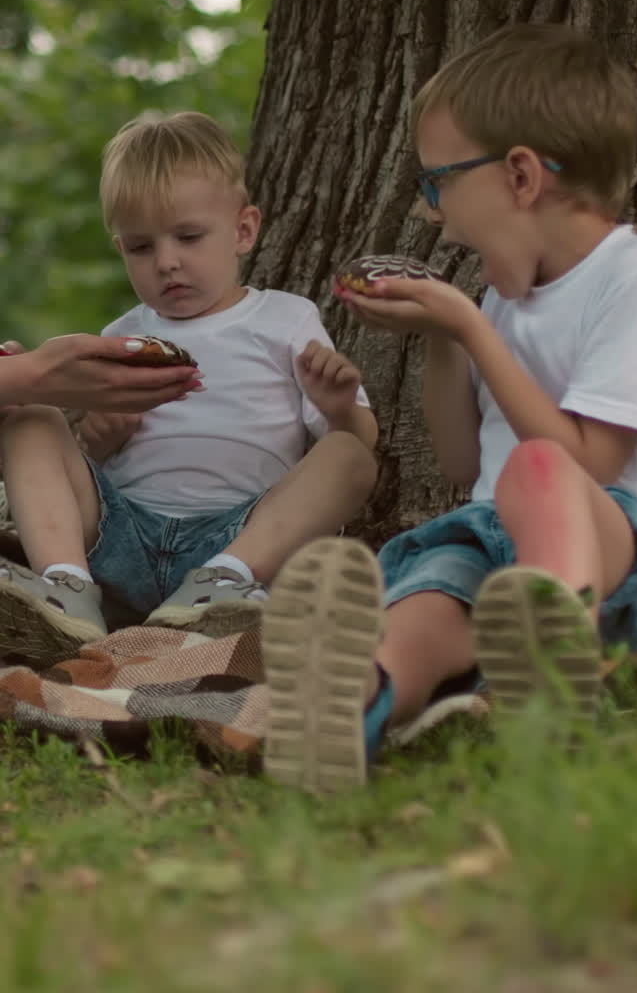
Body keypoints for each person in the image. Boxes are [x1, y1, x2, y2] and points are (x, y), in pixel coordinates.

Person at [260, 22, 637, 794]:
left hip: (627, 551)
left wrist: (470, 324)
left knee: (539, 473)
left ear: (521, 177)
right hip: (494, 538)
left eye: (439, 181)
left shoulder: (633, 279)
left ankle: (551, 668)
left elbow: (592, 464)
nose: (433, 213)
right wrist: (449, 339)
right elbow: (468, 465)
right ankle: (359, 698)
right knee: (435, 589)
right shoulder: (502, 307)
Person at [0, 112, 377, 666]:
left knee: (348, 456)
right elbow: (86, 471)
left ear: (243, 230)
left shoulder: (285, 320)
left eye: (189, 236)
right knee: (29, 417)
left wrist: (339, 407)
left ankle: (223, 588)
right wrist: (101, 441)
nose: (167, 262)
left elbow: (358, 439)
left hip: (236, 535)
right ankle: (67, 590)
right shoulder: (121, 336)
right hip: (120, 534)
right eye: (140, 247)